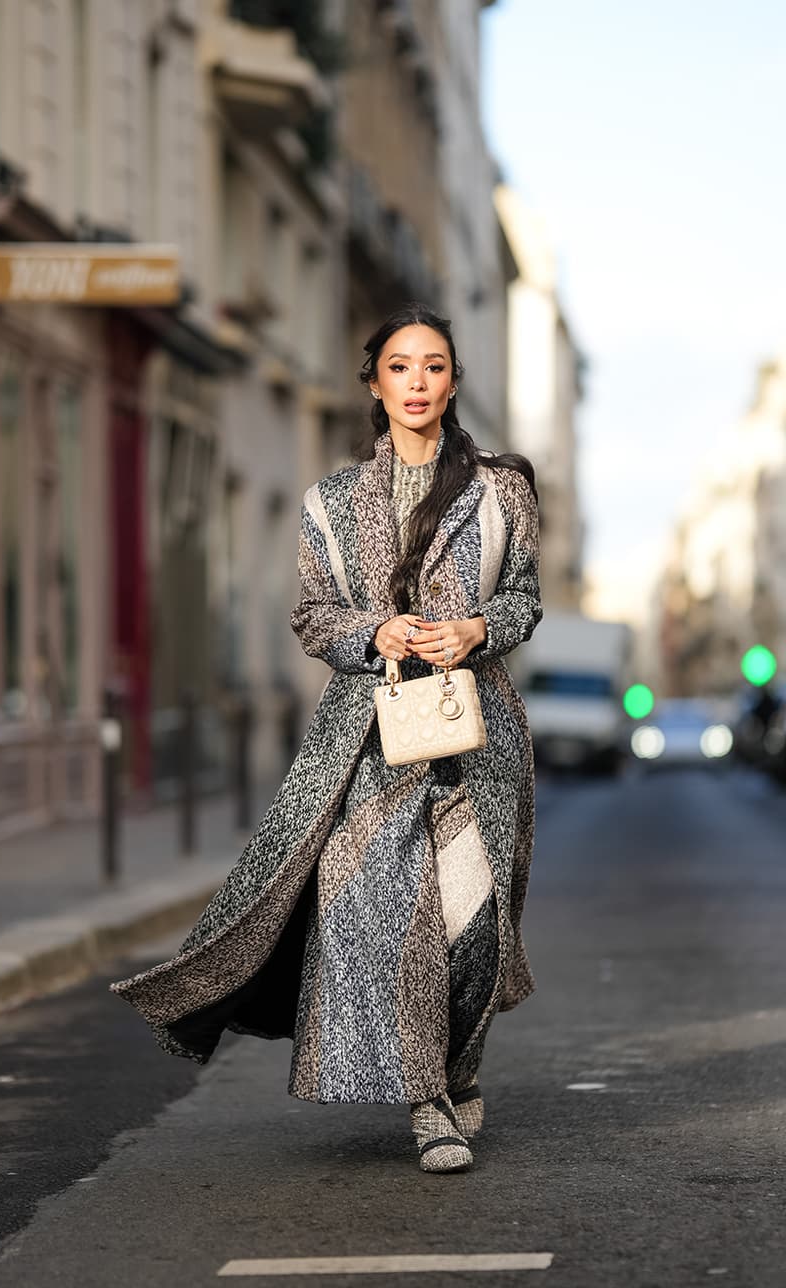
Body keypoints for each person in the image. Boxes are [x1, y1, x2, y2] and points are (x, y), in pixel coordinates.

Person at [110, 302, 543, 1174]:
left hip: (478, 736)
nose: (416, 383)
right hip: (369, 745)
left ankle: (455, 1072)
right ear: (374, 384)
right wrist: (371, 635)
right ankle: (428, 1107)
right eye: (399, 367)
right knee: (388, 922)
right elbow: (313, 616)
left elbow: (526, 596)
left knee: (477, 930)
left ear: (454, 381)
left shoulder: (500, 489)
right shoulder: (330, 502)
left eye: (432, 367)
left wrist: (477, 630)